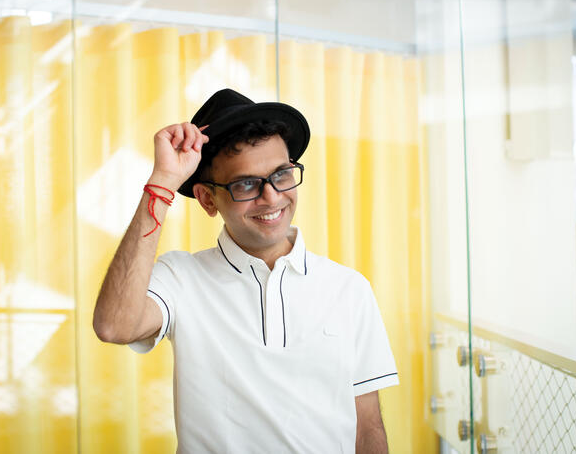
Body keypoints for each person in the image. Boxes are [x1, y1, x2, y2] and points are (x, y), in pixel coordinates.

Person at [92, 88, 399, 453]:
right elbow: (114, 325)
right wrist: (162, 182)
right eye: (246, 184)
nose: (271, 197)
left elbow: (367, 428)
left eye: (281, 174)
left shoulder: (349, 288)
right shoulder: (181, 278)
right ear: (208, 199)